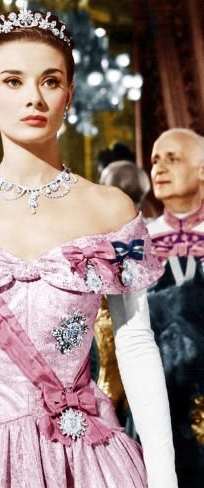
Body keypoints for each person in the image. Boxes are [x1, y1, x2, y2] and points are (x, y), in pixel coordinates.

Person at [0, 7, 177, 488]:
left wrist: (164, 476)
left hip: (88, 452)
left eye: (49, 80)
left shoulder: (110, 208)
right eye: (13, 81)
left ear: (69, 93)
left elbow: (135, 344)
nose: (33, 98)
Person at [147, 128, 204, 487]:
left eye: (173, 158)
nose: (159, 168)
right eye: (154, 160)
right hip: (159, 393)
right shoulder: (138, 241)